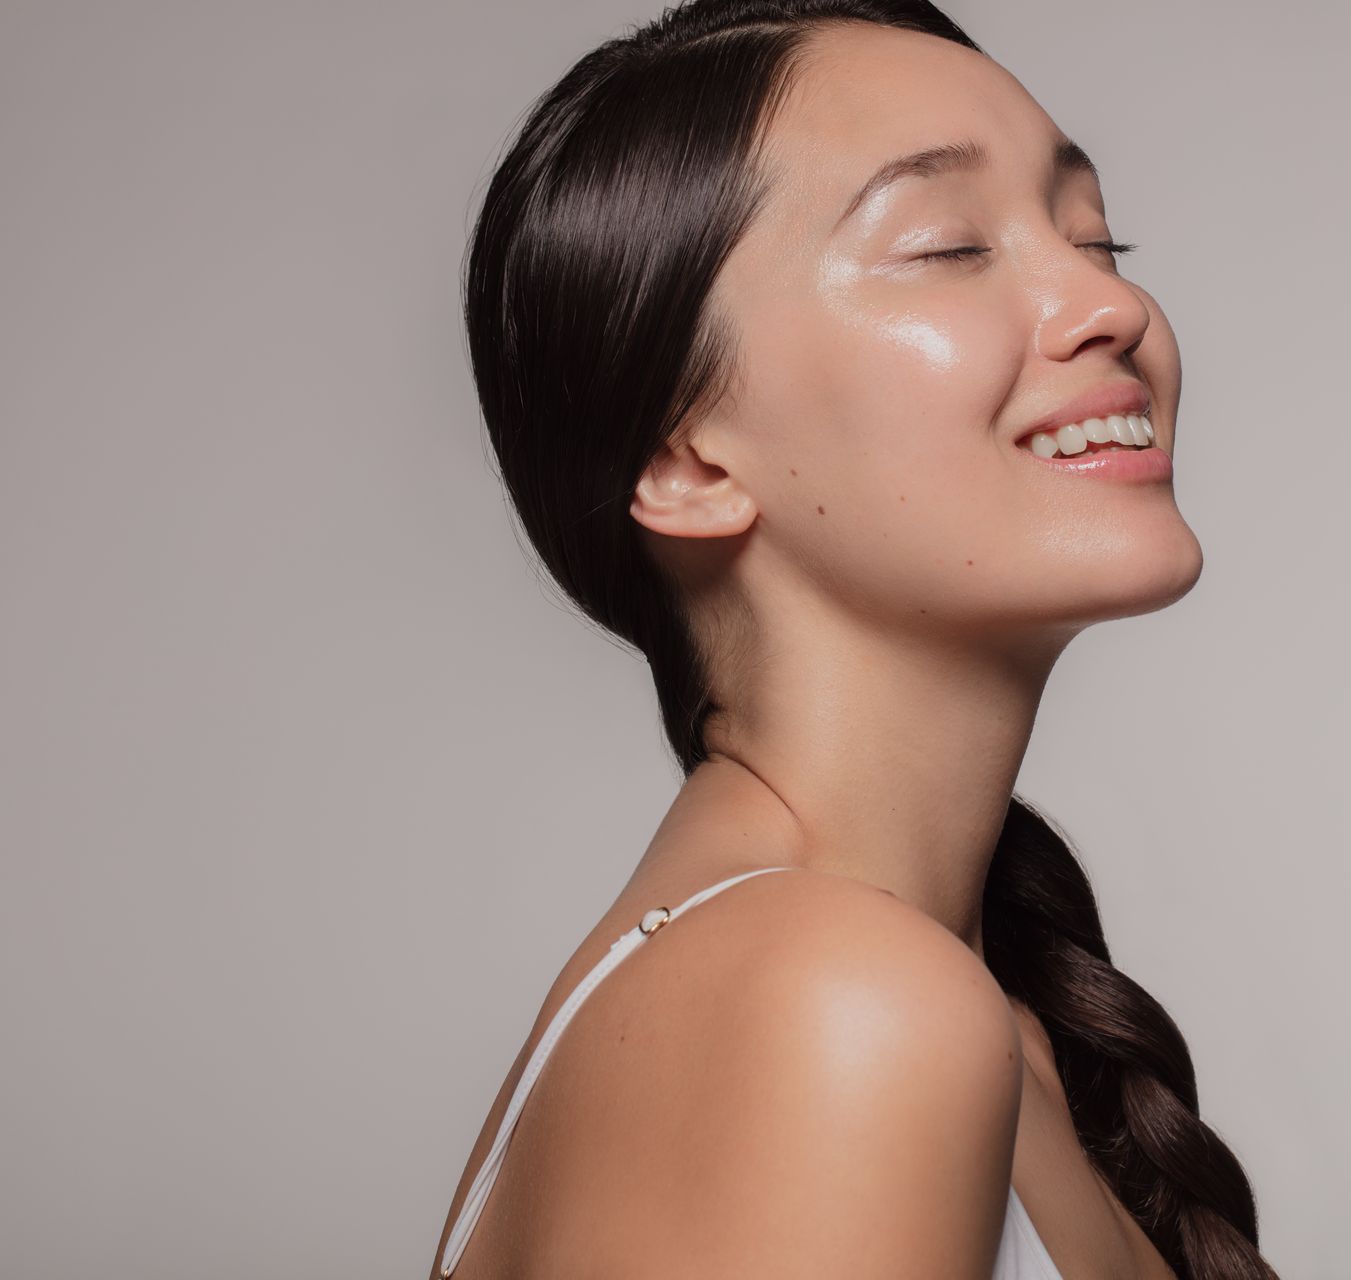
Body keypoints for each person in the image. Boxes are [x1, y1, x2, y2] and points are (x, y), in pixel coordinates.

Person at [431, 2, 1278, 1276]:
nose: (1104, 299)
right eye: (947, 246)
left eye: (1097, 234)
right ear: (685, 457)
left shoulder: (955, 1016)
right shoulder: (828, 1004)